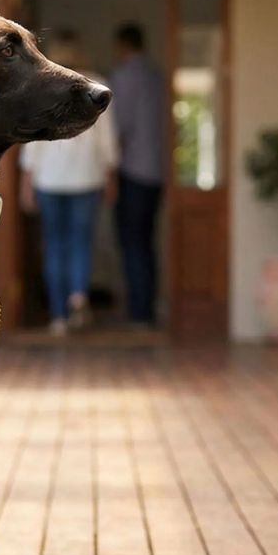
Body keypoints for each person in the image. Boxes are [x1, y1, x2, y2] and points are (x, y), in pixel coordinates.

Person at [20, 33, 118, 336]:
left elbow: (32, 140)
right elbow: (107, 141)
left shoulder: (40, 83)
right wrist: (110, 177)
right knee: (80, 243)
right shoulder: (97, 84)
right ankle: (78, 295)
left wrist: (27, 183)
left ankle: (59, 317)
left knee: (54, 246)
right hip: (87, 178)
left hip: (49, 180)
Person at [109, 22, 166, 327]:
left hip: (133, 171)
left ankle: (138, 312)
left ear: (123, 45)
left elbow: (120, 130)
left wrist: (110, 173)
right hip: (157, 171)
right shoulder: (157, 77)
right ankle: (147, 307)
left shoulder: (124, 78)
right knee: (146, 241)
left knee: (132, 242)